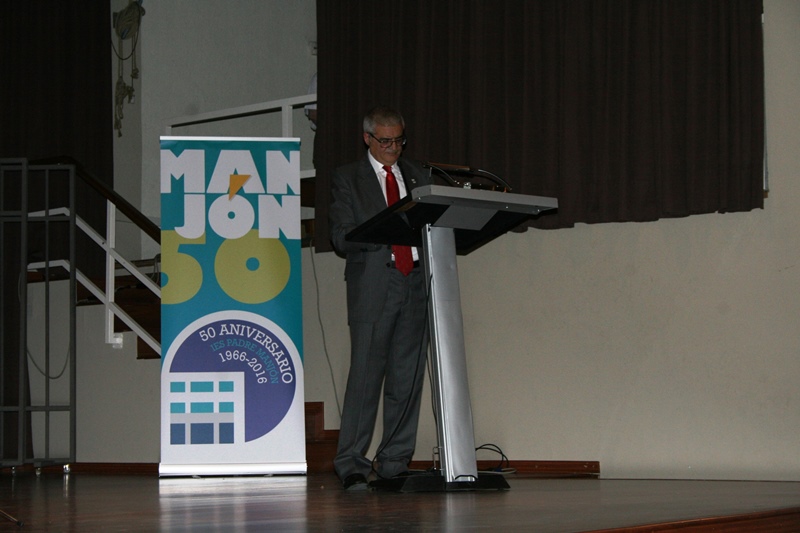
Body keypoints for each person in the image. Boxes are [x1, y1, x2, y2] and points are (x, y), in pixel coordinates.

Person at [329, 106, 431, 490]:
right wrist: (385, 228)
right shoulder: (347, 178)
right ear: (367, 138)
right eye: (385, 141)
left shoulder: (419, 174)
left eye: (399, 140)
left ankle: (393, 462)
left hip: (416, 280)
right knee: (366, 378)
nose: (393, 148)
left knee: (407, 378)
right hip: (376, 282)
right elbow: (341, 236)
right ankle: (352, 463)